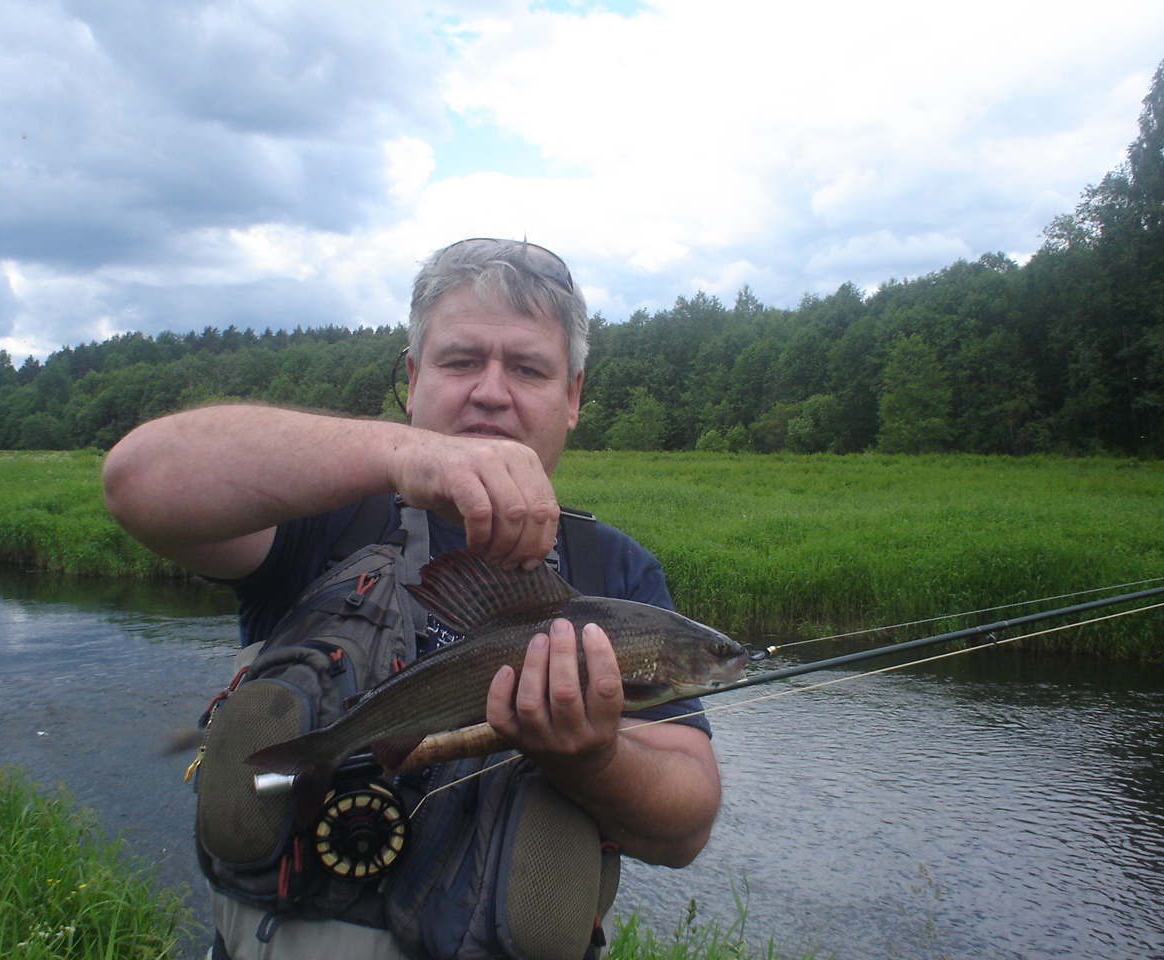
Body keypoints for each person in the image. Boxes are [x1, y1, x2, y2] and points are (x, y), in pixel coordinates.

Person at [102, 238, 722, 959]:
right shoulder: (322, 520)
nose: (492, 390)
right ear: (412, 377)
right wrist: (402, 455)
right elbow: (135, 481)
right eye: (461, 361)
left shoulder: (617, 573)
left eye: (527, 368)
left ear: (573, 396)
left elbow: (686, 826)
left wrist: (590, 759)